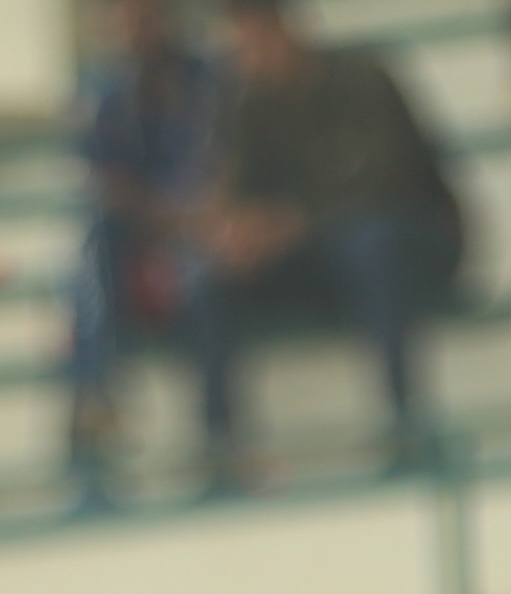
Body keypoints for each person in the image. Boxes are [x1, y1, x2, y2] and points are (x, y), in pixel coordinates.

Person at [198, 0, 476, 485]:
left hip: (413, 241)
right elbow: (241, 193)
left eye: (253, 45)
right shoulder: (245, 103)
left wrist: (292, 222)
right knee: (209, 276)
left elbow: (391, 181)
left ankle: (405, 421)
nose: (247, 60)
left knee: (370, 242)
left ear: (284, 30)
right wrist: (238, 231)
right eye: (237, 50)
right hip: (321, 255)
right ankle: (223, 448)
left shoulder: (363, 77)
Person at [63, 0, 224, 506]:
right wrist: (155, 213)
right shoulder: (106, 93)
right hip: (139, 239)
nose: (130, 27)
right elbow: (104, 184)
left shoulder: (213, 80)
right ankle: (94, 426)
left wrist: (186, 214)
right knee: (87, 277)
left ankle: (219, 441)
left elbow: (226, 170)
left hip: (206, 234)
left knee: (202, 280)